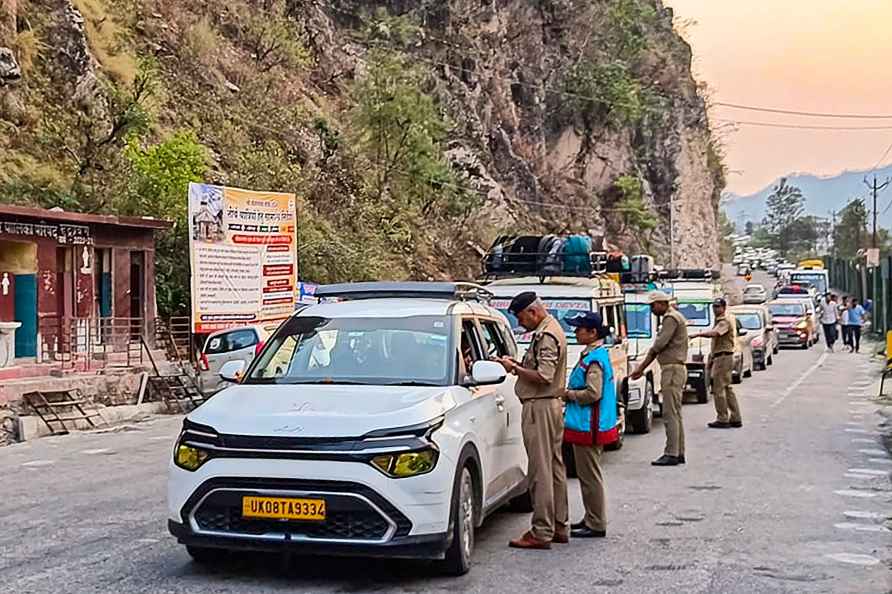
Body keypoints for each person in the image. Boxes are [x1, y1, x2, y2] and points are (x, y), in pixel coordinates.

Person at [497, 292, 569, 549]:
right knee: (554, 468)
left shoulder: (546, 335)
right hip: (550, 406)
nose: (521, 323)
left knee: (540, 471)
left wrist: (514, 369)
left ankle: (541, 531)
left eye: (520, 317)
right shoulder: (551, 329)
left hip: (540, 406)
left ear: (532, 312)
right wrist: (515, 363)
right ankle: (559, 525)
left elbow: (544, 375)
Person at [560, 312, 618, 539]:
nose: (575, 333)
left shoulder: (594, 359)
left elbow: (593, 393)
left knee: (589, 476)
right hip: (587, 423)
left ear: (592, 332)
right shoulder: (595, 354)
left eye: (579, 329)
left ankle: (596, 522)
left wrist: (567, 395)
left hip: (589, 424)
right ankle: (591, 516)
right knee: (587, 475)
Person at [630, 291, 688, 466]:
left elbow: (657, 346)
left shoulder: (670, 318)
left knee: (670, 413)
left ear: (662, 303)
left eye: (653, 305)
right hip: (675, 368)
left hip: (671, 369)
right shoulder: (676, 316)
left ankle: (671, 452)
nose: (652, 309)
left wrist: (641, 368)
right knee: (676, 413)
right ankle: (678, 451)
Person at [690, 298, 743, 429]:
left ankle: (723, 418)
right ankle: (735, 417)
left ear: (724, 308)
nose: (715, 309)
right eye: (714, 307)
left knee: (719, 389)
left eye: (718, 307)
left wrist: (697, 334)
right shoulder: (720, 320)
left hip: (724, 357)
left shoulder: (724, 320)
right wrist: (711, 359)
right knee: (727, 388)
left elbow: (715, 333)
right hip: (721, 356)